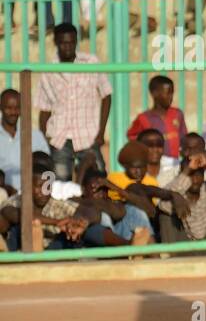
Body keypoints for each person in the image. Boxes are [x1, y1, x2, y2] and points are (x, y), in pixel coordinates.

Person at [36, 23, 111, 181]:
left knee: (98, 180)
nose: (68, 47)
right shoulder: (48, 70)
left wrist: (101, 132)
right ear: (56, 42)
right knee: (61, 185)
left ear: (76, 41)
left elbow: (106, 96)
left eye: (71, 42)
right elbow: (44, 110)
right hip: (59, 137)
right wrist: (46, 140)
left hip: (88, 135)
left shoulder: (91, 62)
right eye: (63, 43)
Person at [0, 88, 51, 194]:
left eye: (17, 108)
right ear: (1, 107)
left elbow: (46, 167)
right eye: (9, 108)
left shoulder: (35, 135)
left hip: (32, 193)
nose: (13, 112)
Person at [127, 75, 188, 159]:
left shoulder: (177, 114)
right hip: (154, 163)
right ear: (154, 93)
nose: (171, 97)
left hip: (175, 162)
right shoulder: (143, 118)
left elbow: (184, 138)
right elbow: (132, 137)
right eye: (167, 93)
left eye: (172, 93)